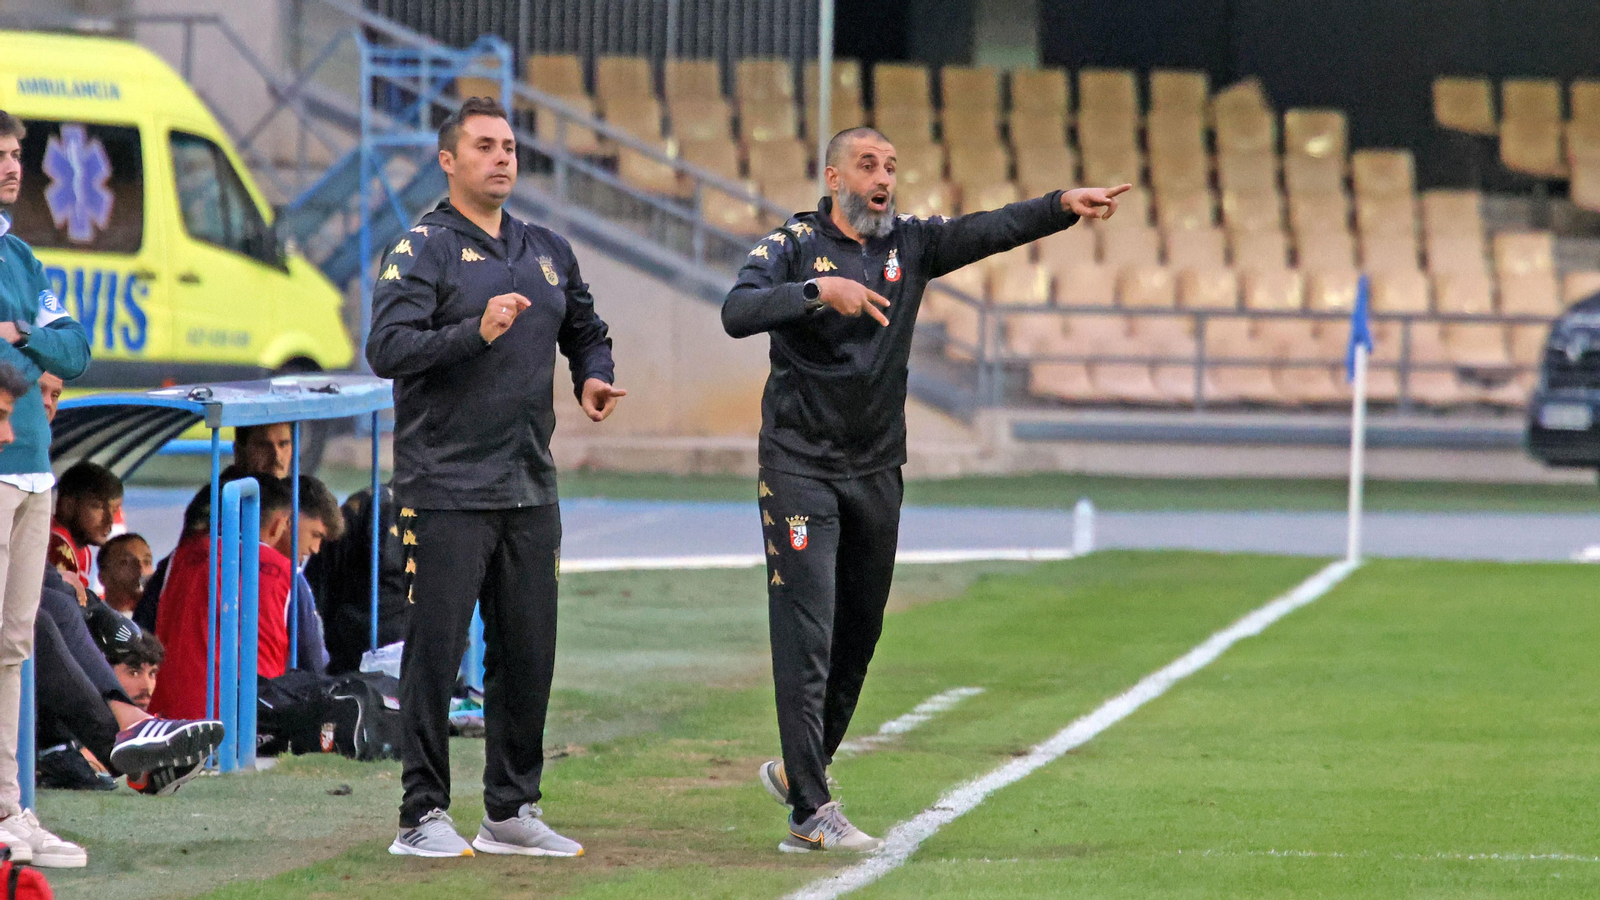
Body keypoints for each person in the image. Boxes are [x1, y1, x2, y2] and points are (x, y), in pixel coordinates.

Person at [723, 126, 1129, 853]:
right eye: (868, 165)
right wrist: (817, 292)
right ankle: (811, 810)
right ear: (834, 176)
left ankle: (798, 770)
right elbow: (737, 311)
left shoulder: (909, 244)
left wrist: (1061, 204)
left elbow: (988, 230)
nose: (884, 177)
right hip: (798, 467)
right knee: (807, 633)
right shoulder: (793, 244)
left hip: (877, 468)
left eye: (891, 166)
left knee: (859, 633)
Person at [366, 96, 624, 860]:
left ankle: (510, 810)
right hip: (444, 487)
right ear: (448, 160)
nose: (502, 157)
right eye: (484, 145)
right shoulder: (422, 249)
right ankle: (420, 815)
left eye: (508, 145)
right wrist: (472, 334)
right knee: (435, 657)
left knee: (528, 656)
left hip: (529, 487)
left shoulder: (547, 249)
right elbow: (387, 348)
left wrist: (593, 375)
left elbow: (586, 329)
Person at [0, 108, 93, 867]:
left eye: (15, 154)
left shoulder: (22, 257)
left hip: (35, 467)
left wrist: (24, 336)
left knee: (13, 645)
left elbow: (77, 351)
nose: (11, 168)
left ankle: (8, 804)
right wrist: (31, 356)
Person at [149, 475, 304, 719]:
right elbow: (311, 656)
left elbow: (148, 626)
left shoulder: (178, 559)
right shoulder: (287, 573)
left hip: (173, 715)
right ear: (279, 523)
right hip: (253, 720)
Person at [303, 484, 409, 675]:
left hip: (413, 664)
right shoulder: (369, 507)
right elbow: (318, 584)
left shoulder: (448, 522)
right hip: (352, 663)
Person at [48, 461, 122, 600]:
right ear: (68, 506)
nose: (109, 520)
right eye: (98, 507)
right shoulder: (57, 542)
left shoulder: (83, 550)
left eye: (114, 510)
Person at [98, 533, 153, 619]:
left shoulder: (165, 619)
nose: (140, 569)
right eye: (126, 562)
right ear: (103, 577)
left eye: (146, 562)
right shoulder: (87, 622)